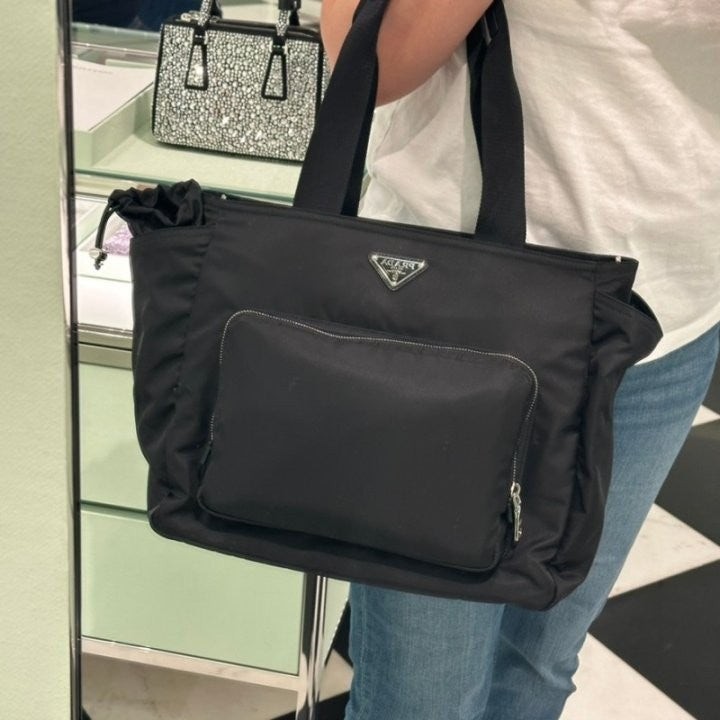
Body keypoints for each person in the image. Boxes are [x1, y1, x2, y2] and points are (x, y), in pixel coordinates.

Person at [320, 1, 720, 718]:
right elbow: (368, 55)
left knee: (538, 664)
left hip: (672, 305)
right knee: (421, 698)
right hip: (450, 303)